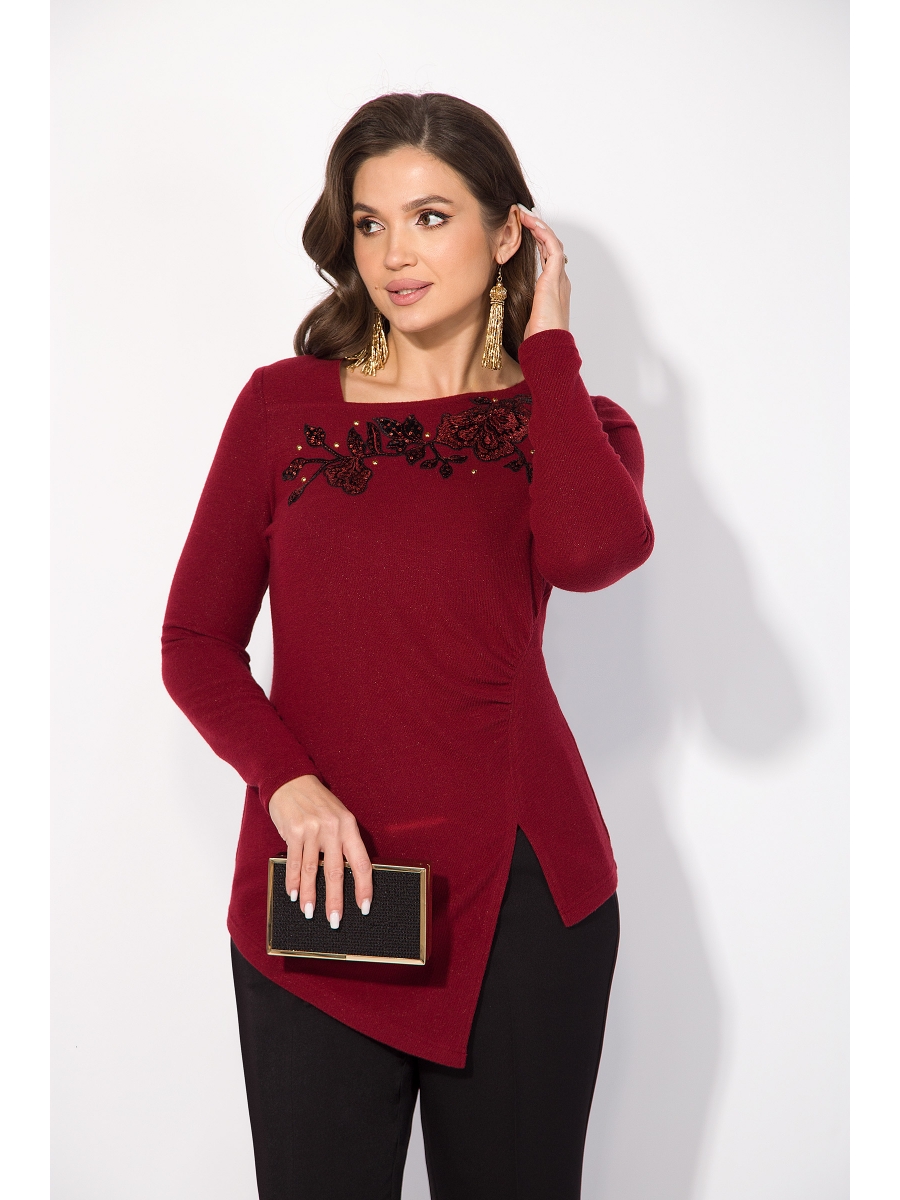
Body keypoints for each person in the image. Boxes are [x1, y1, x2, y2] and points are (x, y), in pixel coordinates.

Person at [162, 91, 654, 1200]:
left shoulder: (569, 420)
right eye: (371, 222)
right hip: (325, 889)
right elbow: (195, 639)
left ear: (508, 231)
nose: (394, 254)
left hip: (524, 897)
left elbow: (594, 555)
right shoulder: (282, 410)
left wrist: (550, 346)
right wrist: (288, 785)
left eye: (431, 217)